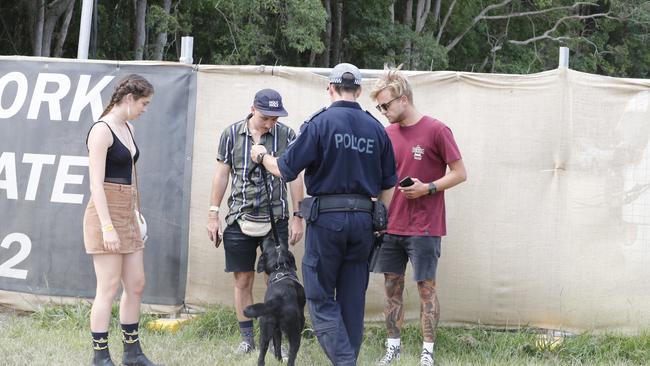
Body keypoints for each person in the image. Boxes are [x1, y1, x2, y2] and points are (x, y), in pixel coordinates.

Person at [251, 63, 397, 365]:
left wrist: (262, 156)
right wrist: (378, 219)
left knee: (318, 297)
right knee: (352, 302)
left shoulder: (319, 123)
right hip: (364, 222)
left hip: (327, 222)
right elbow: (388, 186)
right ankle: (347, 359)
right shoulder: (377, 129)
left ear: (330, 88)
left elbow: (286, 169)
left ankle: (345, 362)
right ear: (359, 90)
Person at [370, 67, 467, 366]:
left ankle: (427, 354)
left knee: (426, 289)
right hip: (391, 227)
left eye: (386, 105)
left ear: (404, 98)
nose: (383, 111)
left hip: (425, 227)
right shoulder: (386, 134)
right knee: (391, 289)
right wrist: (377, 218)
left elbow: (460, 173)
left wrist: (429, 188)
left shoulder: (437, 130)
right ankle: (393, 349)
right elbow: (382, 181)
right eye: (380, 107)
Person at [205, 89, 304, 355]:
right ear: (252, 109)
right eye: (266, 117)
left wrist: (298, 216)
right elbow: (221, 175)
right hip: (240, 217)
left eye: (275, 117)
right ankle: (247, 338)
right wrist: (213, 214)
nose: (271, 122)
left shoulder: (287, 135)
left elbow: (294, 177)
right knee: (243, 279)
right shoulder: (231, 134)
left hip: (276, 219)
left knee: (280, 282)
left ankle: (278, 344)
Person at [83, 74, 161, 366]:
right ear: (129, 98)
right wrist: (107, 227)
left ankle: (132, 353)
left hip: (127, 212)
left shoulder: (128, 127)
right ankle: (100, 356)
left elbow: (130, 175)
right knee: (108, 287)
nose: (145, 108)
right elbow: (95, 185)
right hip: (105, 213)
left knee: (136, 284)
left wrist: (135, 210)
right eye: (144, 103)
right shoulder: (101, 131)